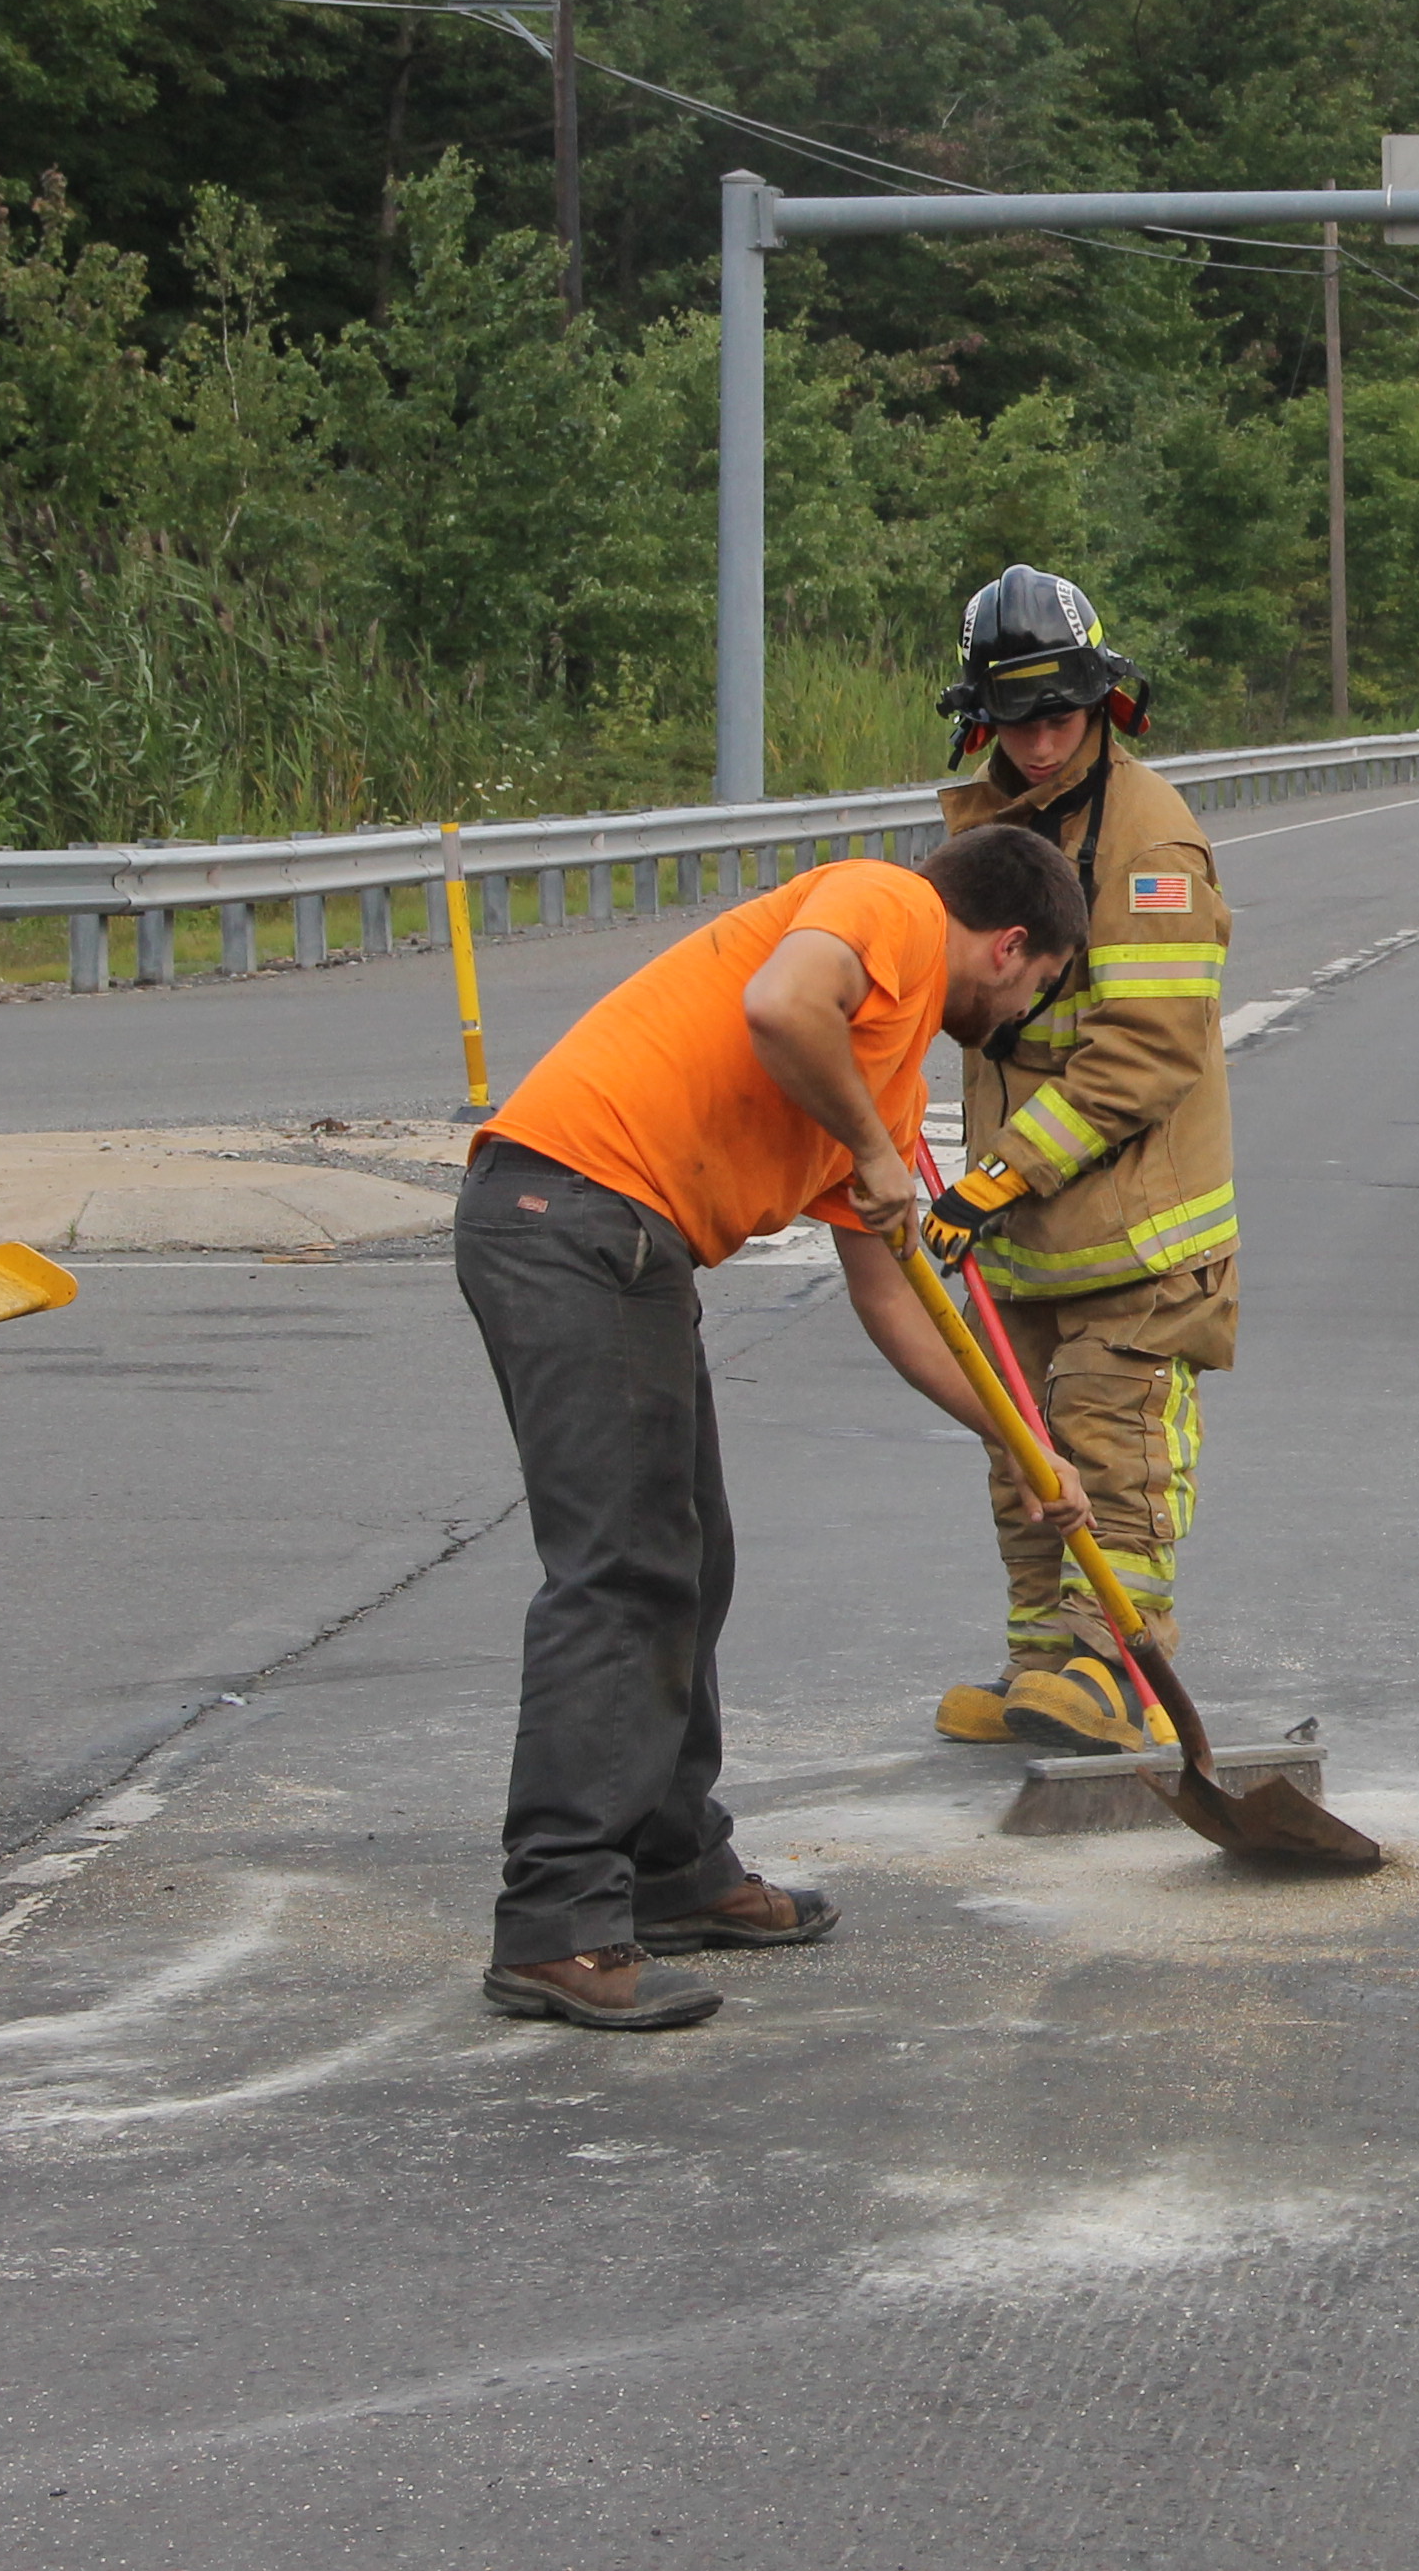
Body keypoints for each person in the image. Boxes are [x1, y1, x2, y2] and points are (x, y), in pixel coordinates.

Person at [456, 825, 1094, 2029]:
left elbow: (894, 1302)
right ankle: (556, 1923)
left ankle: (671, 1867)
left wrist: (1019, 1440)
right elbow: (778, 1003)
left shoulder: (882, 1074)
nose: (1022, 1013)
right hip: (568, 1213)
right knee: (623, 1572)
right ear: (1011, 945)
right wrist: (873, 1150)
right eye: (1040, 985)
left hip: (618, 1240)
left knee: (691, 1560)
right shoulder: (891, 906)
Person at [922, 565, 1241, 1755]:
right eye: (1017, 718)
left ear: (1104, 700)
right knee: (1023, 1464)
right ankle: (1040, 1666)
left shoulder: (1149, 837)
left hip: (1137, 1239)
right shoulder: (994, 831)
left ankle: (1119, 1668)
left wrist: (1000, 1175)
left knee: (1114, 1456)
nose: (1043, 739)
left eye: (1061, 713)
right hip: (1023, 1243)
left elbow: (1148, 1048)